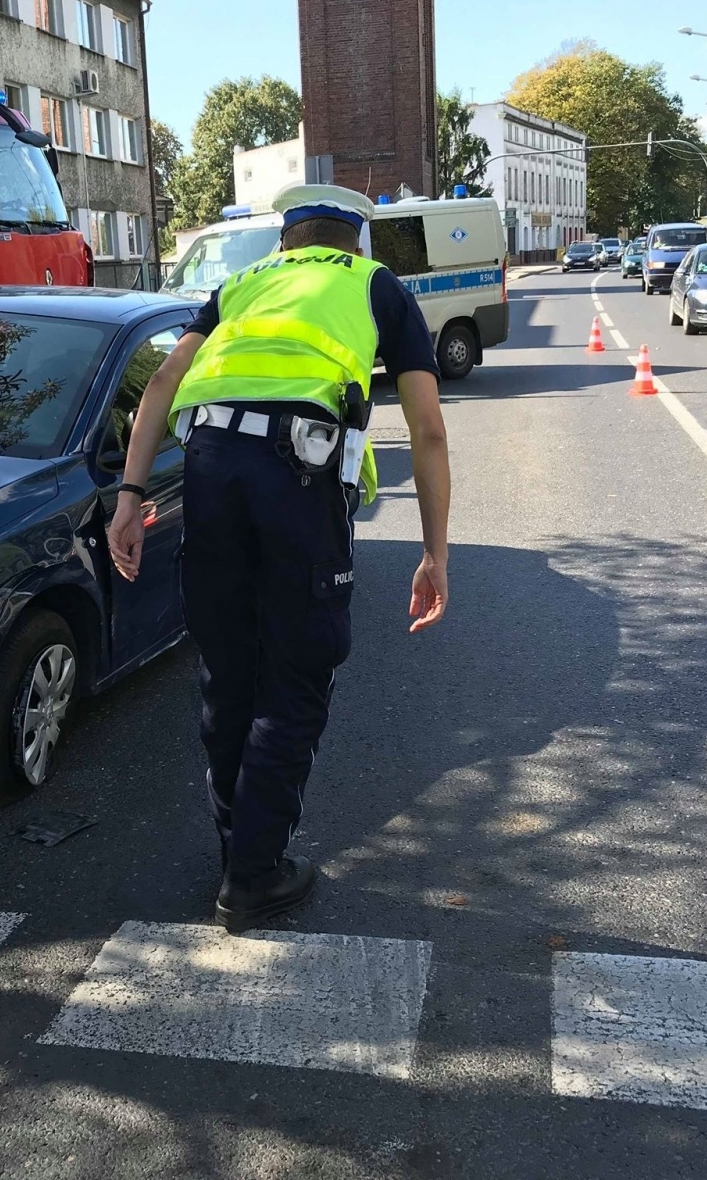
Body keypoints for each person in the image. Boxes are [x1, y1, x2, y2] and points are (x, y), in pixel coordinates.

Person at [105, 183, 452, 934]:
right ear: (356, 241)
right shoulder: (373, 284)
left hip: (209, 467)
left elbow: (162, 386)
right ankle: (254, 877)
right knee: (296, 672)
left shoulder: (240, 285)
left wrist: (129, 498)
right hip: (297, 480)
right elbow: (427, 430)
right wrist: (433, 552)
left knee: (228, 669)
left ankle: (239, 849)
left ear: (284, 243)